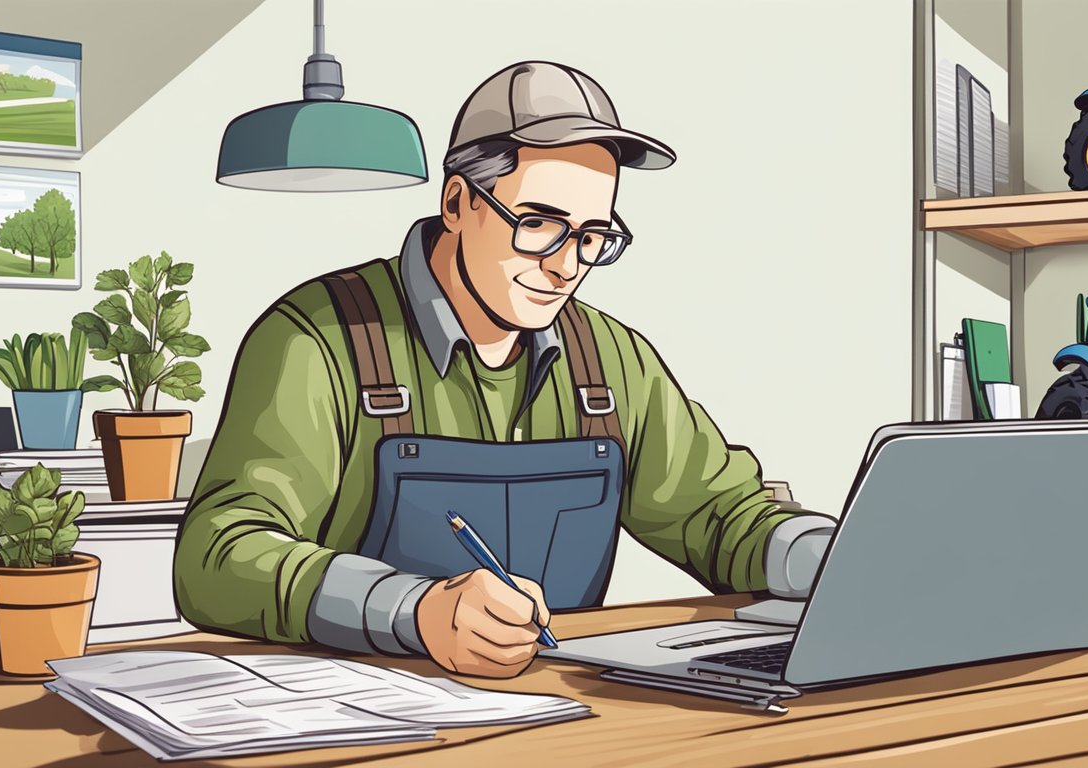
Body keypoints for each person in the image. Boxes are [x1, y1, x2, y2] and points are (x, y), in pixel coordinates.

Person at [174, 61, 835, 678]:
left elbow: (720, 513)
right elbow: (220, 554)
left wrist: (827, 559)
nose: (566, 264)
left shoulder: (611, 361)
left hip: (558, 708)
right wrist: (411, 612)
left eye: (591, 236)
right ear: (458, 203)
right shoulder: (319, 338)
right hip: (365, 715)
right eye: (540, 224)